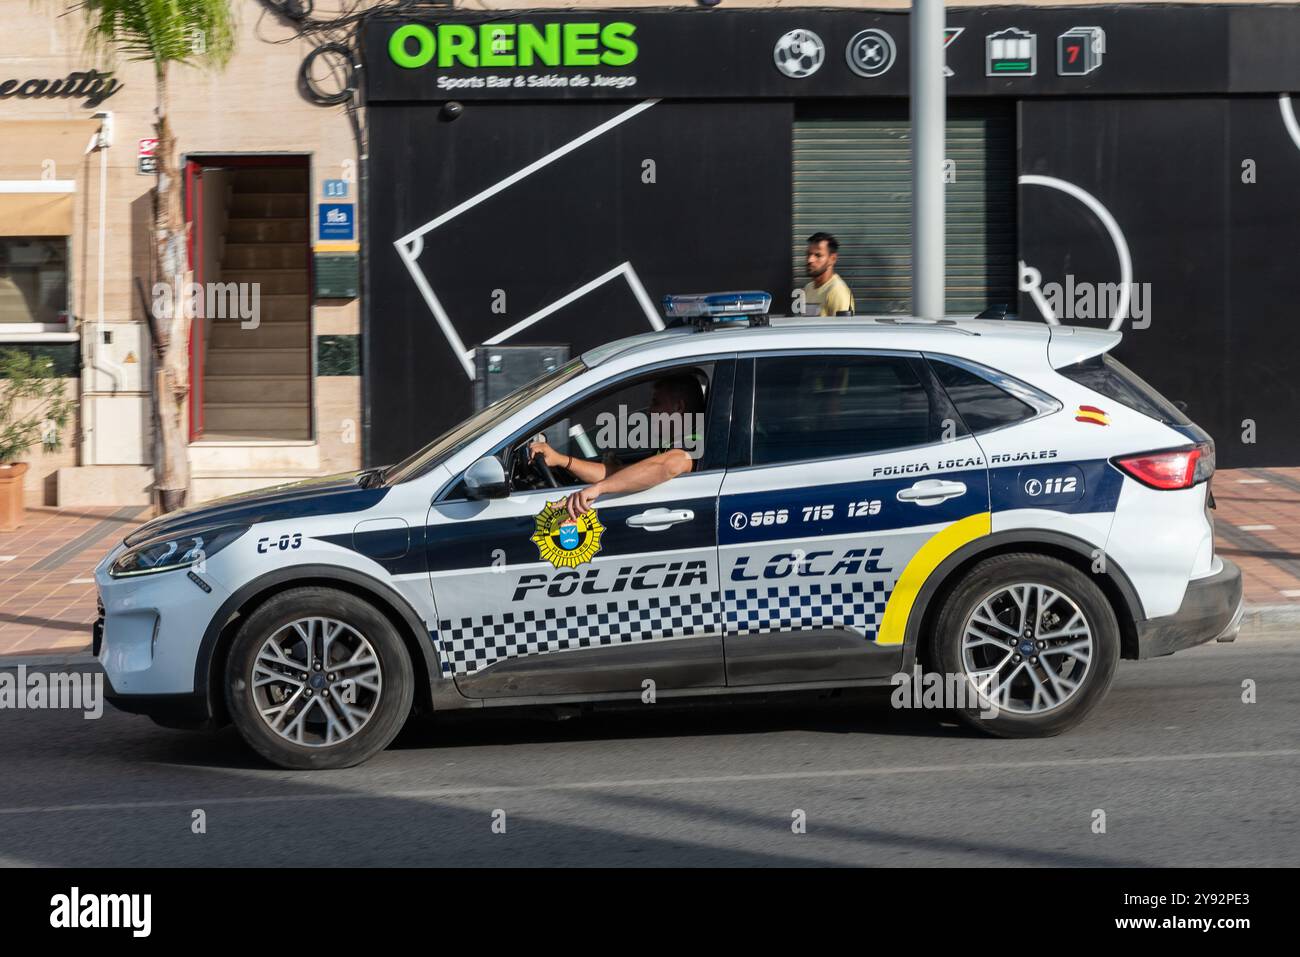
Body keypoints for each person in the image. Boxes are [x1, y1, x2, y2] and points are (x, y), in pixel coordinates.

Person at [528, 374, 704, 519]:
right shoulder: (671, 445)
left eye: (656, 403)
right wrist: (561, 460)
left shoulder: (692, 444)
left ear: (679, 407)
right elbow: (616, 475)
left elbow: (668, 465)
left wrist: (598, 489)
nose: (649, 410)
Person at [802, 231, 856, 317]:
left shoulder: (837, 291)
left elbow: (842, 328)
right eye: (808, 254)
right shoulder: (808, 288)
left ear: (832, 259)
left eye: (818, 255)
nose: (810, 260)